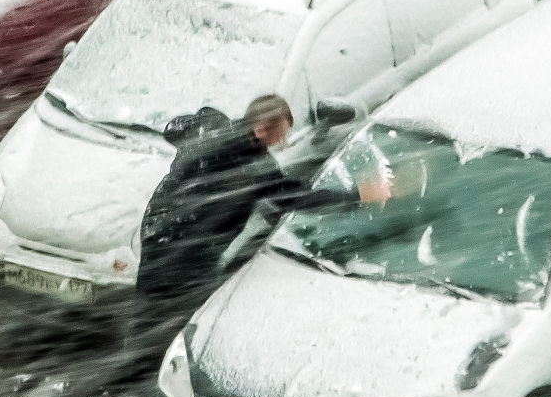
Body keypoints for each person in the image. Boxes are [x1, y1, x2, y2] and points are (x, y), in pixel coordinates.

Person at [125, 94, 391, 380]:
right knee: (186, 316)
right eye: (280, 135)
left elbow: (174, 128)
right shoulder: (252, 166)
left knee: (149, 311)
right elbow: (294, 197)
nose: (282, 143)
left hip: (158, 231)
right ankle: (156, 378)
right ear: (262, 129)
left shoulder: (213, 126)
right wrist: (358, 195)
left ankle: (131, 370)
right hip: (187, 251)